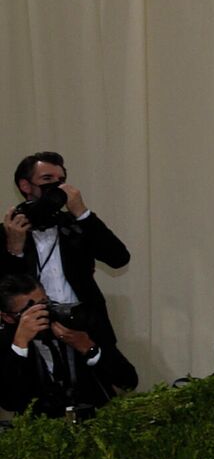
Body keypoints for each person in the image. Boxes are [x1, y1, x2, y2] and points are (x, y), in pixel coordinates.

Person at [4, 153, 133, 363]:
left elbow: (118, 258)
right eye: (47, 179)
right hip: (30, 336)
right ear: (25, 186)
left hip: (85, 329)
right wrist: (15, 250)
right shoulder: (8, 233)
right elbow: (6, 290)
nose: (56, 186)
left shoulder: (75, 226)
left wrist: (82, 214)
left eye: (61, 180)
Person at [0, 274, 137, 419]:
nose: (42, 314)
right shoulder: (7, 342)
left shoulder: (77, 322)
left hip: (95, 422)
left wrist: (89, 348)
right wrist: (20, 345)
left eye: (44, 304)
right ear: (8, 317)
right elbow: (10, 402)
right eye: (30, 312)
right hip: (41, 430)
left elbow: (128, 381)